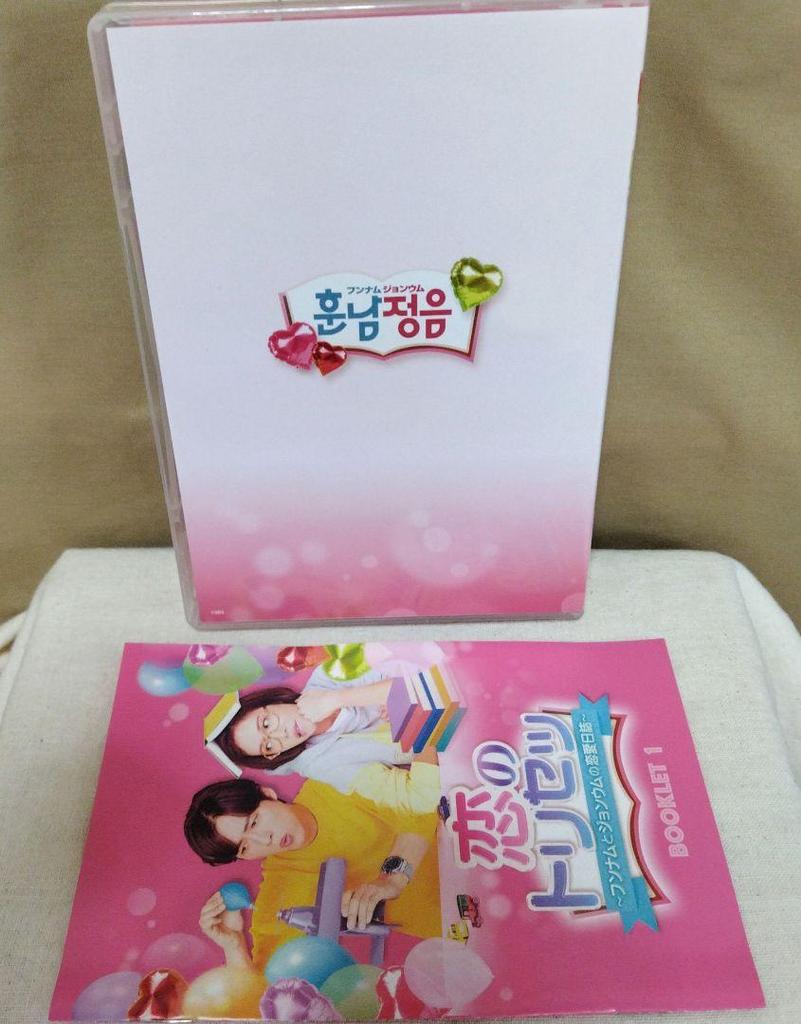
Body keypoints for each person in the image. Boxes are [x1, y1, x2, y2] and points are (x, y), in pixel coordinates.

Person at [184, 775, 441, 973]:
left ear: (267, 793)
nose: (264, 839)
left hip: (459, 842)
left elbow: (421, 798)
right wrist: (234, 946)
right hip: (452, 931)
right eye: (245, 847)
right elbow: (267, 993)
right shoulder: (280, 890)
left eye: (254, 822)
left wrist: (392, 879)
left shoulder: (334, 780)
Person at [214, 665, 437, 812]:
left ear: (273, 702)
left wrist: (336, 698)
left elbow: (418, 663)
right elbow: (419, 798)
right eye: (268, 746)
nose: (281, 734)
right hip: (448, 745)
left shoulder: (330, 674)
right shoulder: (321, 764)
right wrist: (417, 726)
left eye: (266, 723)